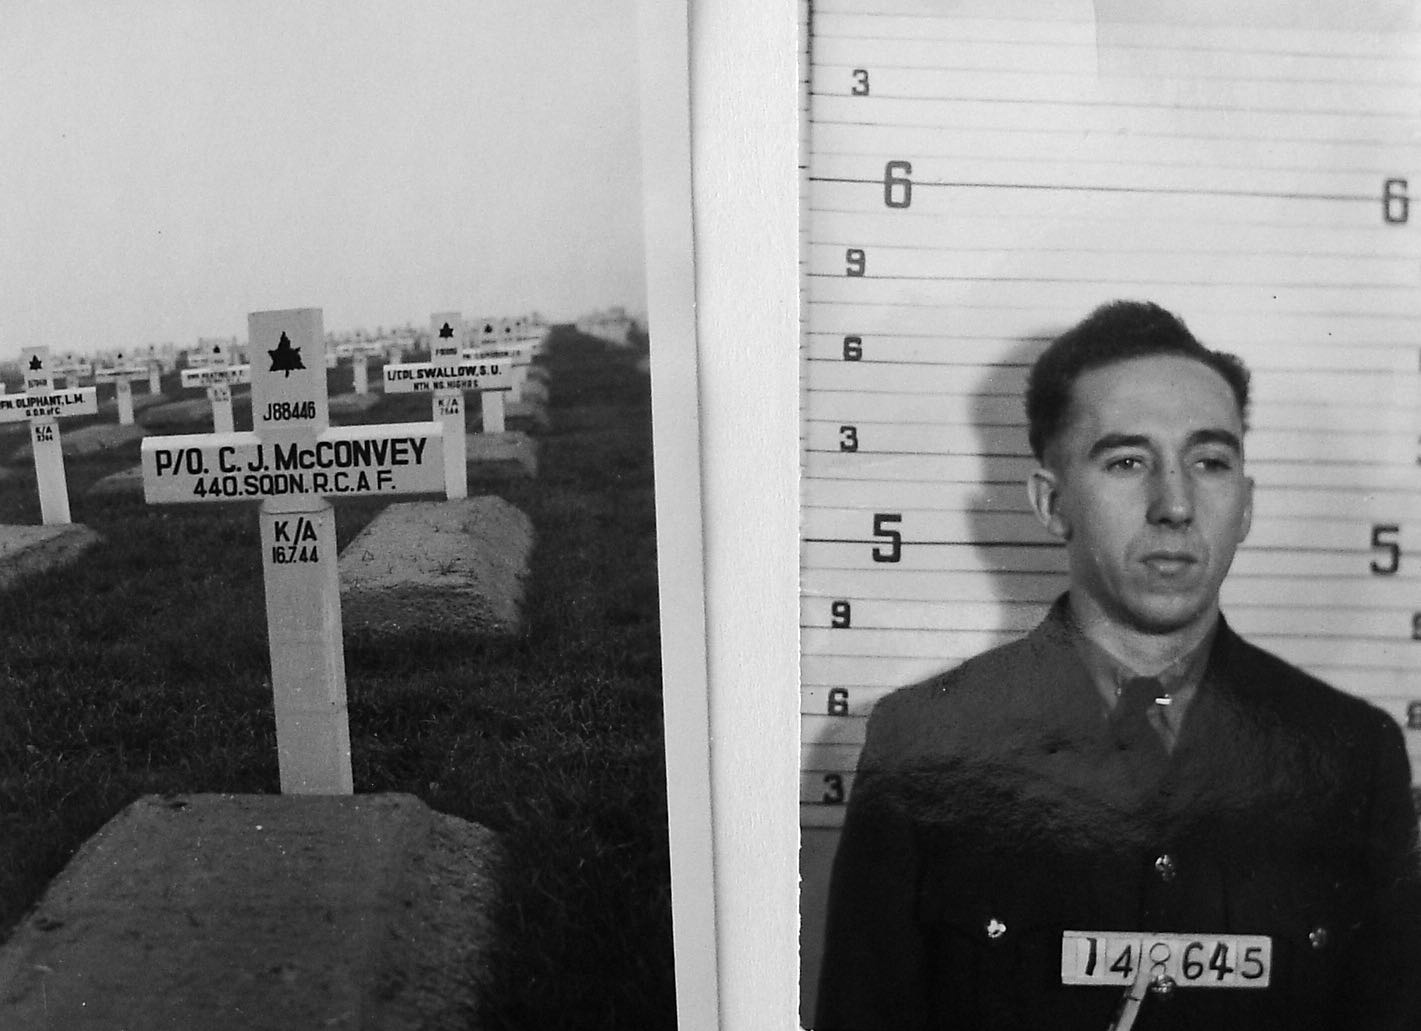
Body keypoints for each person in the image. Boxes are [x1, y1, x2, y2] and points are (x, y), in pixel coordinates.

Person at [814, 300, 1421, 1031]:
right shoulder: (923, 744)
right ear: (1049, 501)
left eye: (1209, 461)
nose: (1174, 503)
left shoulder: (1351, 756)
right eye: (1127, 460)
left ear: (1247, 503)